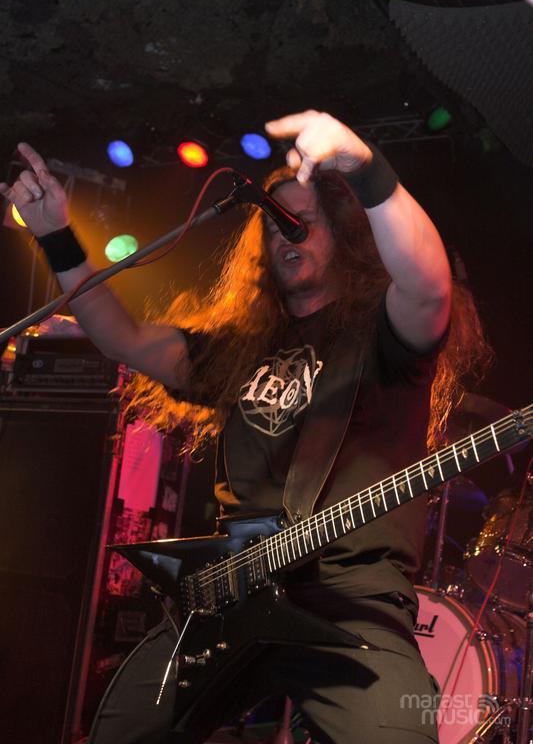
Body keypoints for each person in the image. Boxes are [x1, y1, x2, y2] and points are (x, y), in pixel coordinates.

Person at [0, 111, 490, 743]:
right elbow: (123, 338)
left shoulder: (383, 334)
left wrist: (367, 169)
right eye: (274, 220)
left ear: (346, 233)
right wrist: (56, 236)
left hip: (352, 598)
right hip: (229, 593)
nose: (288, 228)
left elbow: (427, 287)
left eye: (306, 218)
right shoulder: (240, 349)